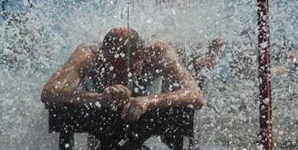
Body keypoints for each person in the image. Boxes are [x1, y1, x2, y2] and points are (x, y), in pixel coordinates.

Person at [41, 27, 204, 121]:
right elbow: (50, 91)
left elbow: (196, 95)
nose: (120, 77)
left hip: (147, 95)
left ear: (141, 57)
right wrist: (98, 99)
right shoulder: (88, 53)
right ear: (103, 55)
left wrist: (148, 101)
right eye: (113, 68)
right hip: (100, 94)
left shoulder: (158, 53)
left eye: (126, 69)